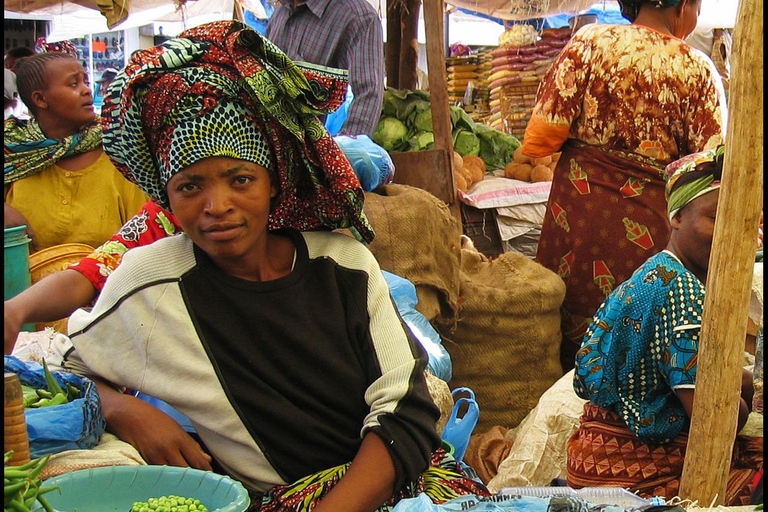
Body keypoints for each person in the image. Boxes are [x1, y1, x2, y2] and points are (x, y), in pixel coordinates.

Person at [60, 20, 488, 509]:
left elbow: (404, 410)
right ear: (166, 197)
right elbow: (69, 366)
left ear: (273, 181)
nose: (216, 205)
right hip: (283, 499)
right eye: (189, 186)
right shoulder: (150, 281)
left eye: (239, 179)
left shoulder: (342, 264)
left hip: (399, 483)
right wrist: (124, 410)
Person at [520, 0, 728, 370]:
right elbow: (711, 167)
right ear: (681, 6)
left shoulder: (587, 43)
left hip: (576, 221)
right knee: (638, 333)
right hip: (646, 230)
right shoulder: (697, 69)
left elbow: (539, 140)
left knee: (566, 326)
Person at [566, 146, 763, 505]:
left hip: (592, 459)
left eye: (743, 220)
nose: (731, 233)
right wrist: (744, 401)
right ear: (676, 217)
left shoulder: (657, 270)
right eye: (715, 217)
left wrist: (741, 380)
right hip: (636, 472)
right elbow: (716, 421)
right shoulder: (683, 291)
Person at [4, 52, 148, 252]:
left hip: (108, 280)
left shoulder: (118, 152)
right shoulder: (13, 153)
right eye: (73, 84)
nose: (87, 90)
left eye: (85, 82)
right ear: (40, 99)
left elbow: (146, 236)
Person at [266, 0, 385, 136]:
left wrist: (342, 150)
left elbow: (368, 93)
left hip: (305, 149)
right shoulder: (281, 11)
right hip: (260, 144)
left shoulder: (358, 17)